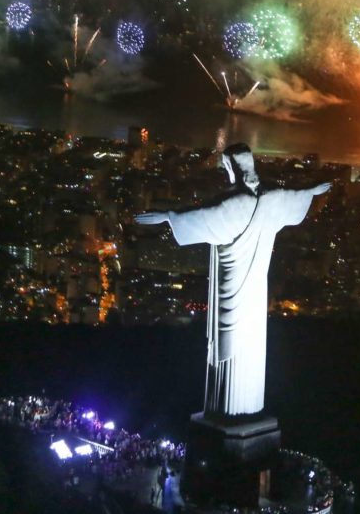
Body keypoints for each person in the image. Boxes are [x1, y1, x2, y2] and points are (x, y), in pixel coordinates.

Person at [136, 144, 330, 416]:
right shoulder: (272, 196)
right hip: (255, 291)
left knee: (229, 346)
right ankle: (245, 410)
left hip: (231, 288)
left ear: (230, 168)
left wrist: (168, 216)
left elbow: (201, 217)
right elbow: (294, 197)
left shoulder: (233, 204)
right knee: (250, 346)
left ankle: (227, 414)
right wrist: (312, 190)